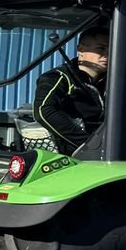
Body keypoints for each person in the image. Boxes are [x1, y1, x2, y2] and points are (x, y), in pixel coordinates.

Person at [33, 23, 108, 154]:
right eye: (101, 49)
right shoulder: (59, 78)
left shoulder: (113, 82)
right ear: (81, 50)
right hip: (74, 156)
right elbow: (44, 110)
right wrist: (87, 146)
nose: (107, 55)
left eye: (111, 50)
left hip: (109, 148)